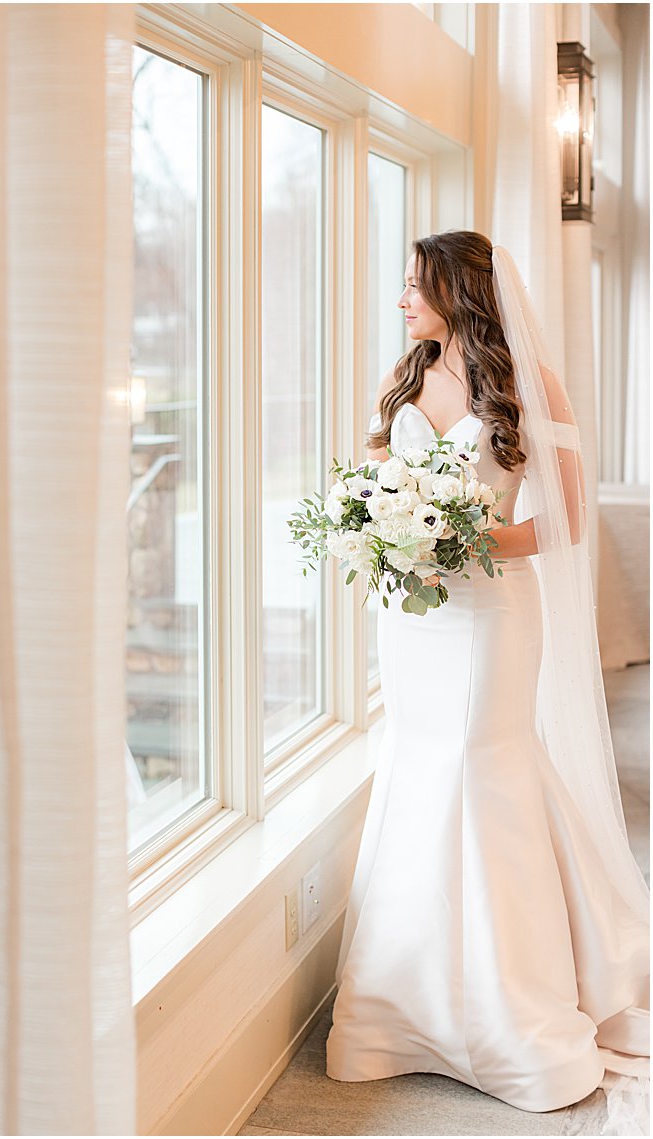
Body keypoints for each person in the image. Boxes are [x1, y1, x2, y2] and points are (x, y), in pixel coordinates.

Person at [326, 229, 649, 1116]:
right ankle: (406, 1005)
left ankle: (508, 1005)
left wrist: (456, 541)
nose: (401, 302)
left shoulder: (525, 386)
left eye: (413, 287)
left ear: (457, 291)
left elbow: (566, 523)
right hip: (414, 625)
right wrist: (379, 526)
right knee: (420, 767)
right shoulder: (406, 377)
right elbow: (375, 480)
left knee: (482, 766)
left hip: (490, 619)